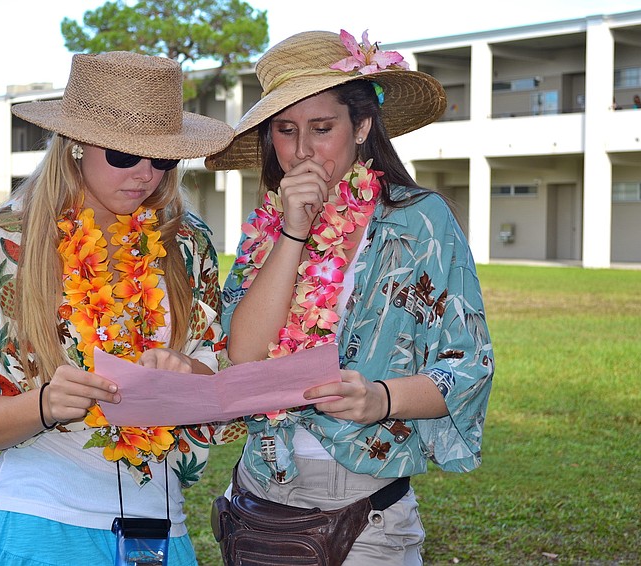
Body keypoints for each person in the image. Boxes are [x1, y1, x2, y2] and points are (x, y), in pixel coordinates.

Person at [0, 51, 235, 566]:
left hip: (160, 533)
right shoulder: (2, 244)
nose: (146, 175)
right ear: (74, 144)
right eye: (123, 155)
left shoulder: (188, 242)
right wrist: (46, 404)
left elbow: (220, 374)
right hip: (35, 526)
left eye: (162, 158)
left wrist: (185, 373)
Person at [205, 29, 494, 564]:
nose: (303, 151)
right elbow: (242, 355)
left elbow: (468, 367)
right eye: (286, 131)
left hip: (367, 511)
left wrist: (379, 398)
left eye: (322, 128)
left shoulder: (419, 223)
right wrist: (293, 232)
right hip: (260, 493)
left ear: (361, 126)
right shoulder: (268, 225)